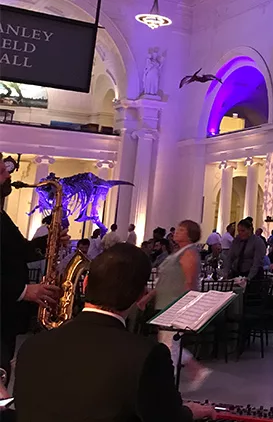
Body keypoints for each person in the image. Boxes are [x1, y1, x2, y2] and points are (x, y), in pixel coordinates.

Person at [14, 243, 215, 422]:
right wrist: (190, 412)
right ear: (141, 296)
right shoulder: (147, 355)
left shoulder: (32, 347)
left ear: (84, 284)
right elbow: (166, 417)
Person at [0, 158, 62, 378]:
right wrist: (24, 291)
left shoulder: (2, 215)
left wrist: (50, 242)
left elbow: (17, 250)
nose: (9, 176)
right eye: (2, 172)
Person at [138, 220, 211, 392]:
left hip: (175, 304)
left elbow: (190, 283)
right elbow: (164, 282)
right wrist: (147, 298)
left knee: (169, 344)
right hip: (165, 303)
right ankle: (195, 371)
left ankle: (170, 383)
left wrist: (185, 306)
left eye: (182, 230)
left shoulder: (189, 253)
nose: (177, 232)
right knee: (167, 342)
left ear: (190, 235)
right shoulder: (178, 252)